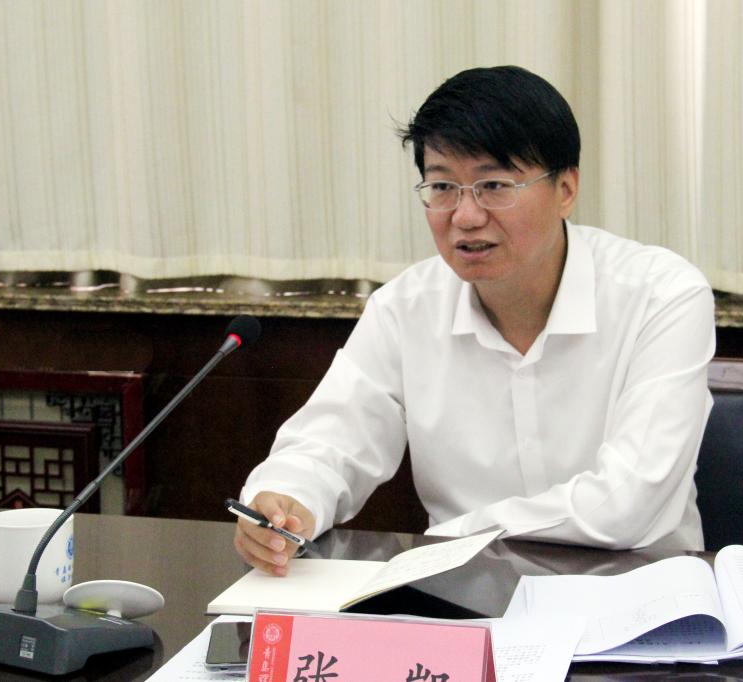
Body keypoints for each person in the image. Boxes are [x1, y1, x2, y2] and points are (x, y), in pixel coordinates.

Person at [234, 65, 715, 576]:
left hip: (637, 595)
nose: (465, 216)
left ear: (566, 189)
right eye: (443, 186)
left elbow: (627, 501)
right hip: (466, 598)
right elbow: (330, 441)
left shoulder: (661, 296)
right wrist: (286, 500)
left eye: (494, 185)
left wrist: (452, 537)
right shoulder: (404, 309)